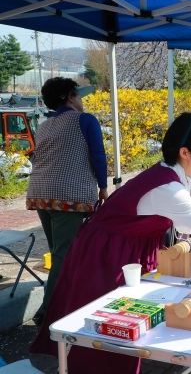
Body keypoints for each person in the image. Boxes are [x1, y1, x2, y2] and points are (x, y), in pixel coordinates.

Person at [30, 112, 191, 374]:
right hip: (107, 251)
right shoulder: (166, 188)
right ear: (185, 151)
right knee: (108, 330)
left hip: (131, 246)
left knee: (130, 326)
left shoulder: (186, 172)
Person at [25, 77, 107, 326]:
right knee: (63, 254)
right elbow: (97, 155)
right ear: (71, 97)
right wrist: (103, 188)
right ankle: (48, 310)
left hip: (40, 192)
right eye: (79, 95)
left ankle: (68, 301)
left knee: (61, 252)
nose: (82, 100)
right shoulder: (85, 120)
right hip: (67, 195)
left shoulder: (45, 125)